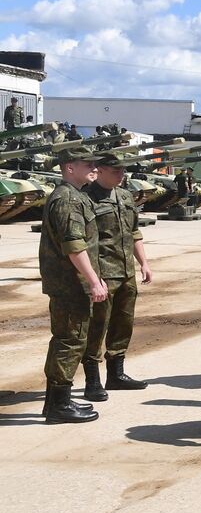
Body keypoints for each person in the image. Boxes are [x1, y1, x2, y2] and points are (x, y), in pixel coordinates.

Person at [38, 146, 107, 423]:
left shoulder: (74, 196)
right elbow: (74, 245)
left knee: (68, 339)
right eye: (87, 164)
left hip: (70, 283)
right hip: (70, 284)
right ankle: (59, 406)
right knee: (70, 340)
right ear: (69, 167)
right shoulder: (67, 199)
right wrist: (93, 280)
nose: (94, 168)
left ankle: (55, 402)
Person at [80, 152, 153, 400]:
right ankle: (92, 380)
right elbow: (82, 242)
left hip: (125, 273)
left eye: (123, 171)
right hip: (102, 274)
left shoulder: (124, 196)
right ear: (99, 170)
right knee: (96, 327)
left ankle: (116, 375)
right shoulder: (86, 198)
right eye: (116, 171)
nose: (121, 175)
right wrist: (91, 278)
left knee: (123, 323)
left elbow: (134, 232)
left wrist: (143, 262)